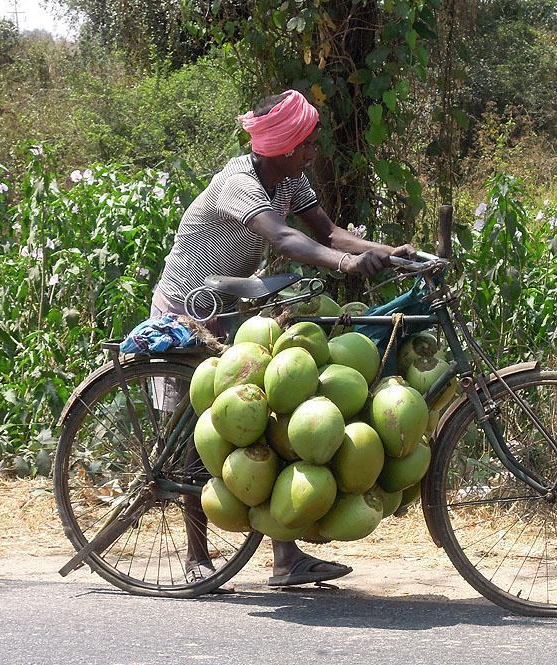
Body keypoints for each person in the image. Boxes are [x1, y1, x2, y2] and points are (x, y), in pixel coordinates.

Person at [150, 89, 416, 587]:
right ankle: (195, 557)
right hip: (190, 308)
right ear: (286, 147)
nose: (314, 152)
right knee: (199, 438)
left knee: (273, 420)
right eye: (309, 144)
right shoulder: (240, 182)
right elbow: (285, 239)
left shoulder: (290, 179)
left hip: (234, 311)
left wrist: (392, 253)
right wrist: (346, 265)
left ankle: (286, 559)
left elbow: (330, 231)